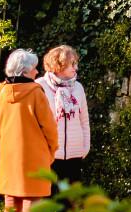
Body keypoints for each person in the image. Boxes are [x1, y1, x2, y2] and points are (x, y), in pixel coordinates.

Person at [0, 49, 58, 212]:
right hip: (36, 158)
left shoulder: (0, 92)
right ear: (26, 71)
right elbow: (50, 128)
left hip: (10, 158)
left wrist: (10, 144)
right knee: (31, 208)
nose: (37, 71)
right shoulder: (36, 93)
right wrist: (50, 150)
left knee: (11, 209)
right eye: (35, 67)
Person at [35, 45, 90, 184]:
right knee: (51, 200)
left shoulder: (78, 87)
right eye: (72, 64)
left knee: (72, 201)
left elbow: (84, 120)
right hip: (50, 154)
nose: (75, 68)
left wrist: (85, 146)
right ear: (59, 64)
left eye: (75, 63)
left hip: (75, 153)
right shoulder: (39, 86)